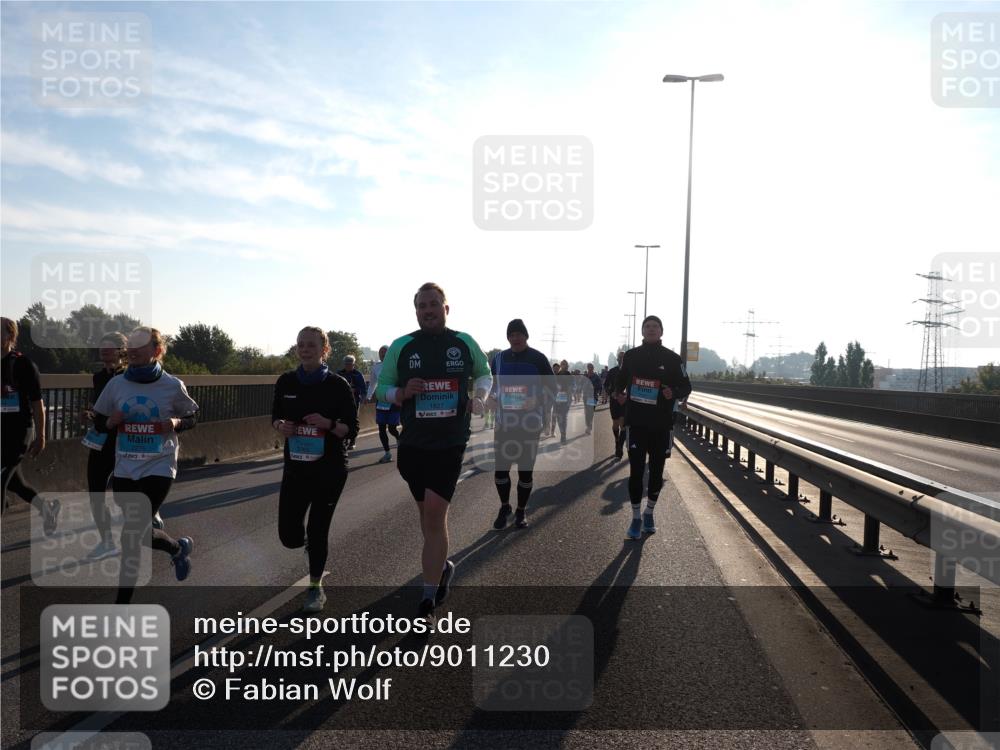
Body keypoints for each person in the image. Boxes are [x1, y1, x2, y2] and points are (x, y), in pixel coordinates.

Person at [375, 282, 492, 621]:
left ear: (446, 308)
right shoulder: (403, 346)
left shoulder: (463, 342)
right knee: (427, 518)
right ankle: (442, 565)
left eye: (433, 304)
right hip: (412, 445)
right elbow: (380, 389)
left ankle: (428, 595)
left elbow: (484, 374)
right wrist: (400, 392)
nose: (428, 310)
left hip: (450, 442)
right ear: (416, 312)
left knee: (435, 515)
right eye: (422, 306)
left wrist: (480, 396)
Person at [93, 327, 199, 603]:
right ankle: (177, 548)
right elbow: (98, 421)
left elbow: (192, 416)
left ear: (157, 350)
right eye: (131, 345)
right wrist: (109, 422)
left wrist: (175, 423)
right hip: (126, 467)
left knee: (131, 536)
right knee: (140, 533)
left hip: (159, 465)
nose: (134, 350)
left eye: (141, 346)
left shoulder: (172, 386)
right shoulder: (116, 385)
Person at [273, 327, 359, 612]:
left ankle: (314, 588)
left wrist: (328, 424)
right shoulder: (286, 382)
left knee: (318, 529)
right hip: (296, 469)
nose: (304, 349)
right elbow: (275, 417)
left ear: (324, 349)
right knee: (289, 536)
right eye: (300, 344)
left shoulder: (337, 385)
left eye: (311, 345)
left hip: (329, 470)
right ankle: (310, 544)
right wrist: (280, 427)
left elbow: (351, 430)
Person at [613, 316, 692, 540]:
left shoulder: (673, 358)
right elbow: (620, 379)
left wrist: (673, 393)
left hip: (661, 424)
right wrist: (619, 393)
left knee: (656, 472)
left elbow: (686, 385)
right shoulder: (631, 356)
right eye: (647, 326)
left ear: (661, 331)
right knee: (636, 472)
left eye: (655, 326)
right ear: (642, 331)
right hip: (636, 423)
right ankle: (636, 517)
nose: (651, 329)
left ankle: (649, 513)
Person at [486, 319, 554, 530]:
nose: (515, 338)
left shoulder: (538, 359)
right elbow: (491, 384)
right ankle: (505, 506)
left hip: (529, 425)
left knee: (525, 472)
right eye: (511, 334)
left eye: (519, 334)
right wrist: (490, 398)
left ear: (526, 336)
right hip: (504, 424)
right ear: (508, 337)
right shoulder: (499, 358)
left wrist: (538, 400)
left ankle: (521, 511)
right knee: (500, 471)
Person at [1, 317, 59, 533]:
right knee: (15, 483)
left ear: (10, 335)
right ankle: (47, 510)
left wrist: (41, 436)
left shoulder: (23, 364)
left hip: (19, 432)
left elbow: (37, 403)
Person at [81, 332, 127, 558]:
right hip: (101, 439)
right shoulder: (98, 377)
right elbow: (99, 405)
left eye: (110, 347)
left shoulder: (130, 376)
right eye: (102, 346)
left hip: (126, 441)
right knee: (96, 491)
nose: (105, 350)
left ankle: (151, 514)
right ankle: (106, 540)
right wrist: (91, 414)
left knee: (126, 493)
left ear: (122, 351)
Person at [367, 345, 401, 464]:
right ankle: (387, 453)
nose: (383, 354)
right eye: (381, 352)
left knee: (392, 428)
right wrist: (368, 396)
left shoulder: (396, 365)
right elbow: (372, 384)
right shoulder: (376, 367)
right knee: (381, 428)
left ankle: (399, 439)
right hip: (381, 401)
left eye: (385, 352)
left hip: (393, 400)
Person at [337, 355, 367, 450]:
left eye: (350, 364)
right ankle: (344, 439)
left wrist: (356, 391)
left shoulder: (358, 374)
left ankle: (352, 441)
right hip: (341, 402)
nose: (348, 366)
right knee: (342, 420)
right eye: (346, 364)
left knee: (353, 420)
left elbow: (363, 389)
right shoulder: (339, 373)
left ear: (354, 364)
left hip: (354, 401)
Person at [605, 351, 626, 459]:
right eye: (620, 357)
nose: (622, 359)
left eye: (624, 357)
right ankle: (617, 441)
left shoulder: (630, 372)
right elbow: (606, 385)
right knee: (616, 423)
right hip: (614, 401)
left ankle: (620, 447)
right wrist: (611, 392)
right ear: (617, 359)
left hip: (626, 401)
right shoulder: (612, 371)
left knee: (623, 424)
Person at [553, 359, 573, 444]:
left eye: (565, 364)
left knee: (563, 416)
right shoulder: (557, 374)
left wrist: (569, 398)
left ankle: (563, 436)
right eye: (562, 364)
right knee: (558, 416)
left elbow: (570, 388)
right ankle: (562, 433)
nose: (564, 365)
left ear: (567, 365)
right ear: (561, 365)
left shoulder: (568, 374)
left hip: (566, 397)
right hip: (558, 397)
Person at [583, 362, 602, 435]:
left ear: (593, 368)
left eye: (591, 367)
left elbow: (600, 386)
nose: (590, 369)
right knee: (587, 412)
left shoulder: (596, 376)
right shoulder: (585, 376)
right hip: (585, 396)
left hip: (593, 396)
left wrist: (594, 387)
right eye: (588, 367)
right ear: (587, 368)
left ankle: (589, 427)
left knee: (590, 412)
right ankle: (588, 426)